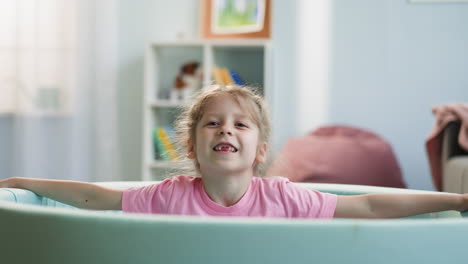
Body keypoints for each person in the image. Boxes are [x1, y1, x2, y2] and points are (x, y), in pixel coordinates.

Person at [1, 85, 467, 219]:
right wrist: (24, 183)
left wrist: (457, 201)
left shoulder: (284, 198)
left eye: (240, 124)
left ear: (259, 150)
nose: (226, 129)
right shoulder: (168, 195)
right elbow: (95, 198)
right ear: (192, 146)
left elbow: (367, 203)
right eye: (213, 123)